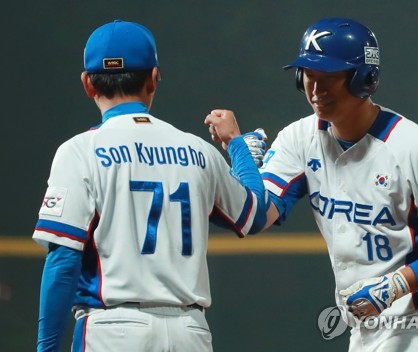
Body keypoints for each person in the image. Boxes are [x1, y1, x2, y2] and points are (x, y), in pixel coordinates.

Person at [213, 17, 418, 351]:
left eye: (328, 78)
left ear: (365, 79)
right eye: (308, 76)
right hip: (366, 323)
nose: (316, 90)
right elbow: (254, 216)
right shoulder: (299, 139)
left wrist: (394, 285)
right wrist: (241, 157)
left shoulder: (416, 148)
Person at [32, 19, 268, 352]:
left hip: (112, 330)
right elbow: (255, 214)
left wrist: (47, 348)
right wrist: (238, 147)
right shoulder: (197, 151)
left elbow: (63, 262)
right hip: (191, 332)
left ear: (88, 84)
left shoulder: (79, 151)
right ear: (153, 78)